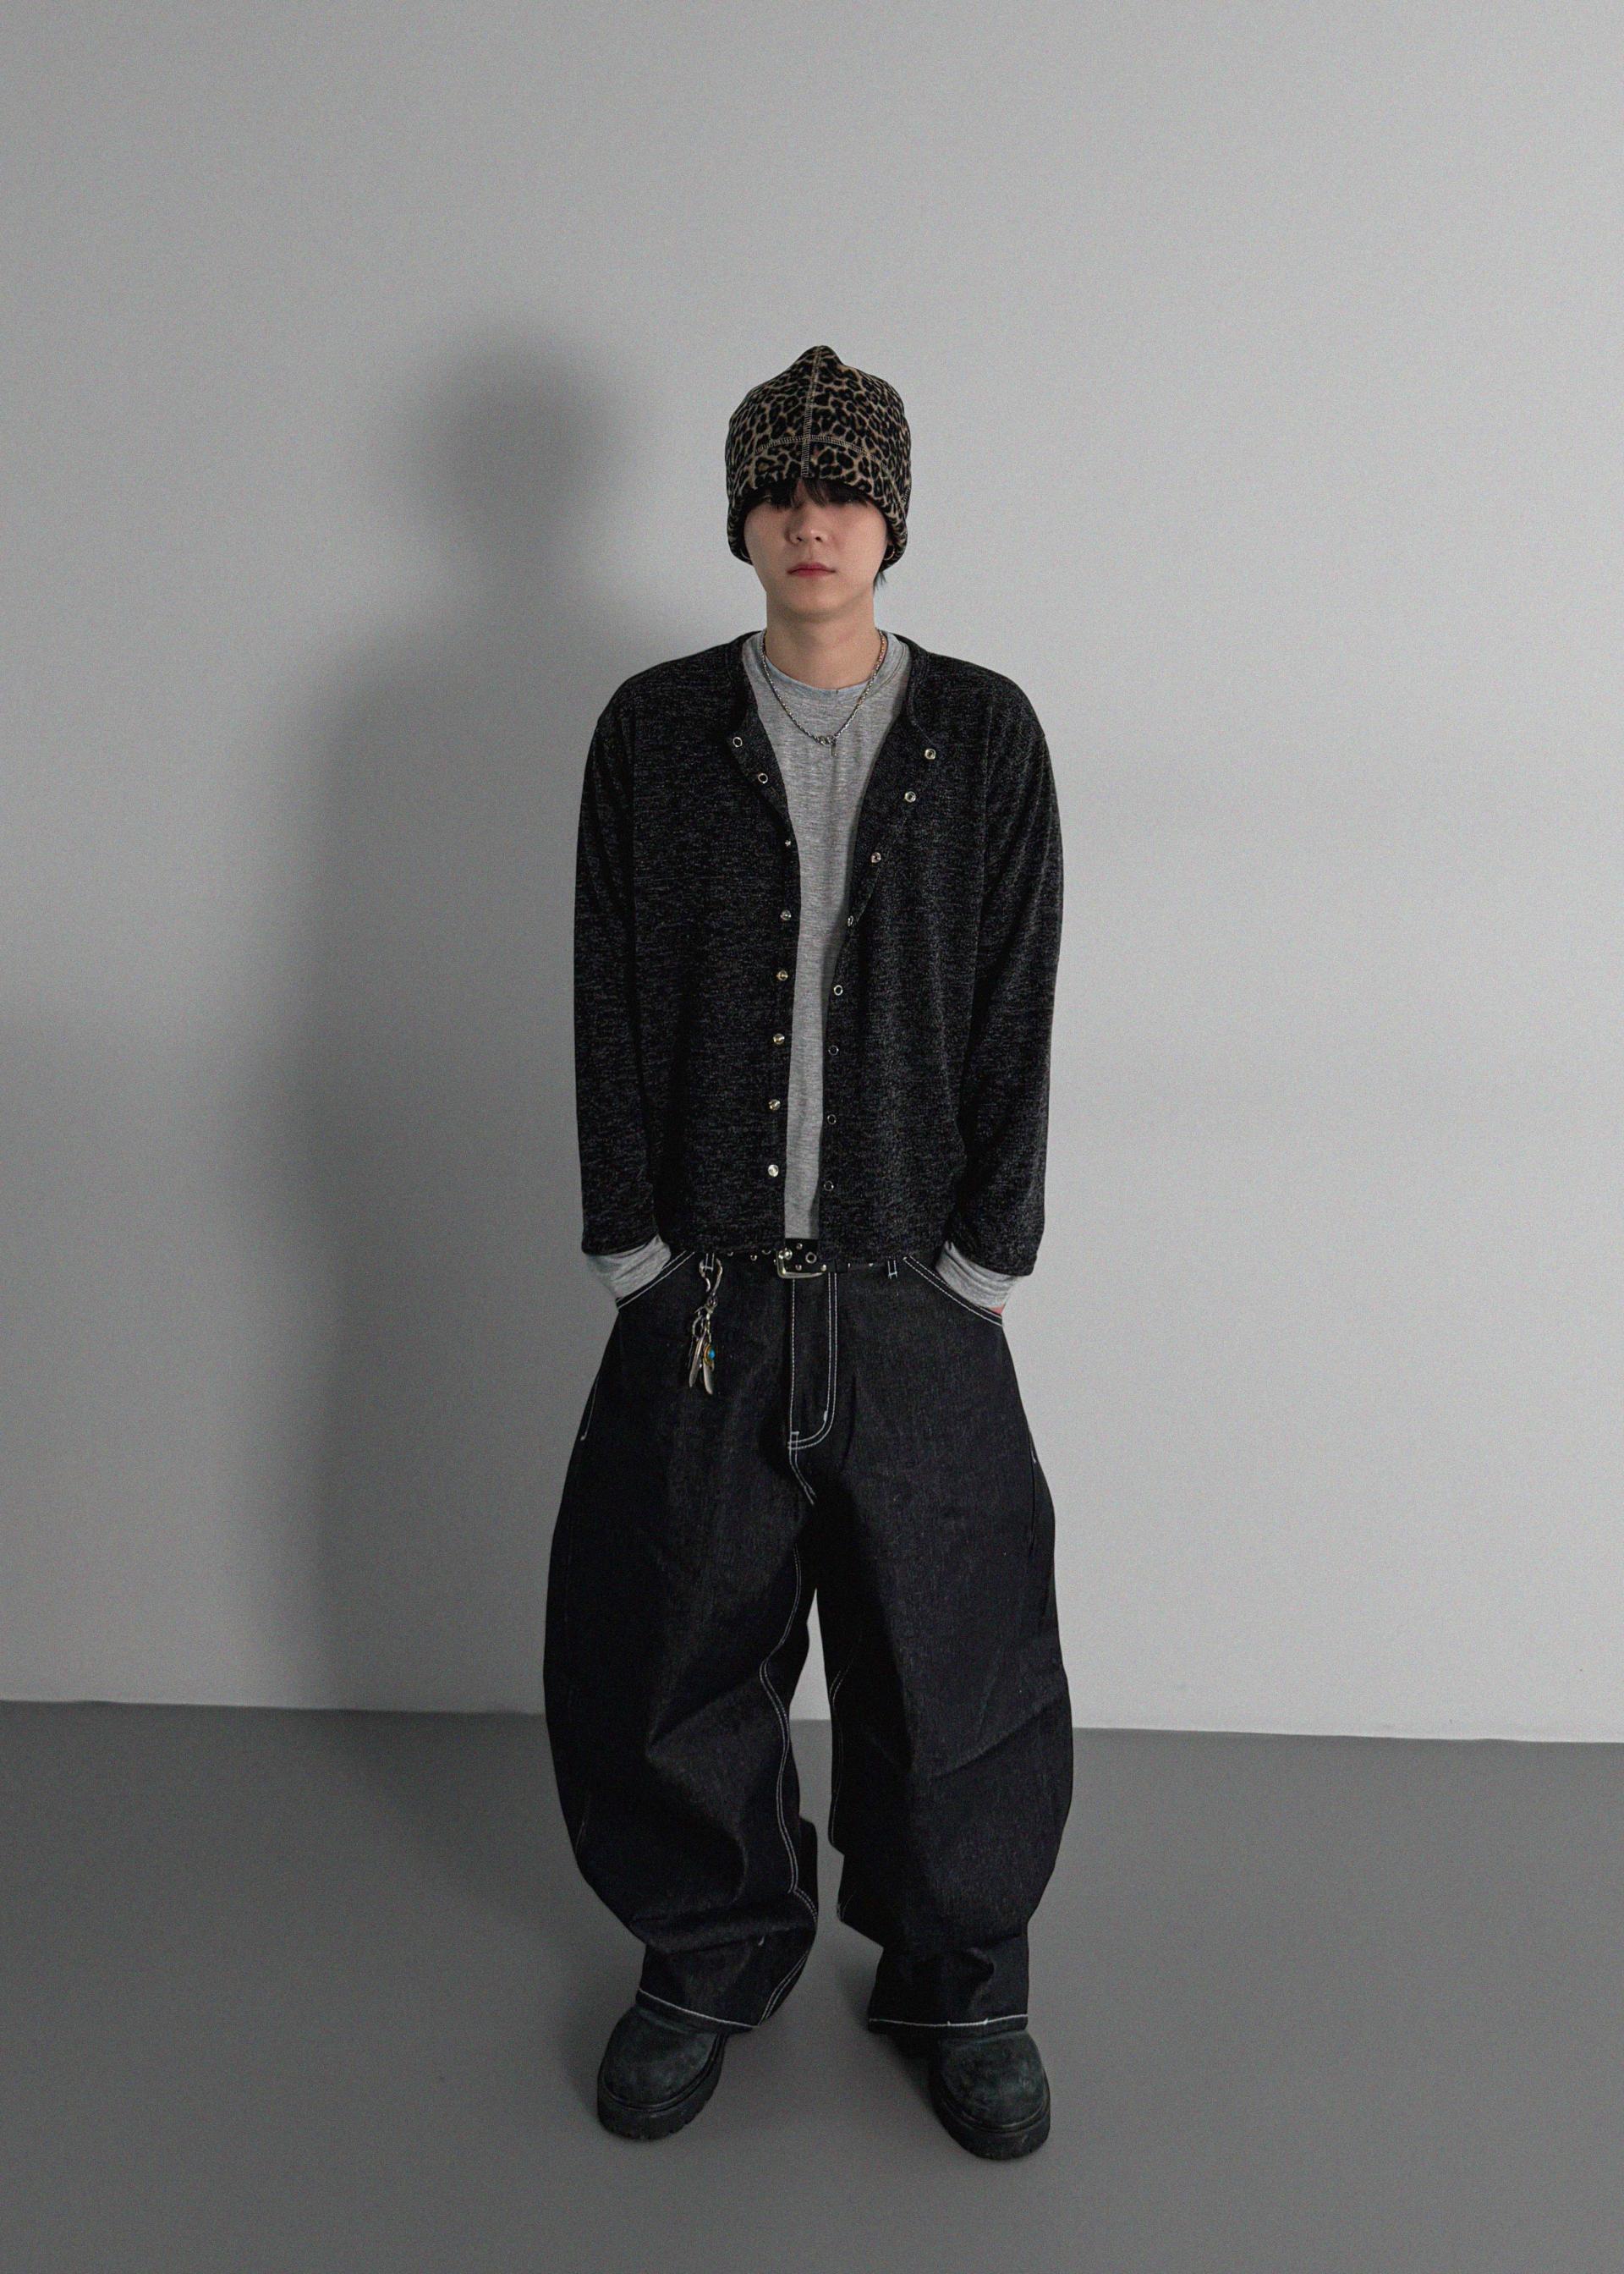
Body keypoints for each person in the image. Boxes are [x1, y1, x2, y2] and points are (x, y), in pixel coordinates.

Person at [544, 343, 1072, 2158]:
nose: (812, 517)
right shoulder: (654, 730)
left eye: (844, 488)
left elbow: (1019, 998)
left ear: (892, 518)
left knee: (956, 1650)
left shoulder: (983, 735)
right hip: (704, 1291)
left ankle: (960, 1979)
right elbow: (605, 988)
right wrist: (630, 1242)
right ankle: (706, 1955)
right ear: (741, 518)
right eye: (779, 487)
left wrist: (987, 1254)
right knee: (670, 1641)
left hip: (915, 1287)